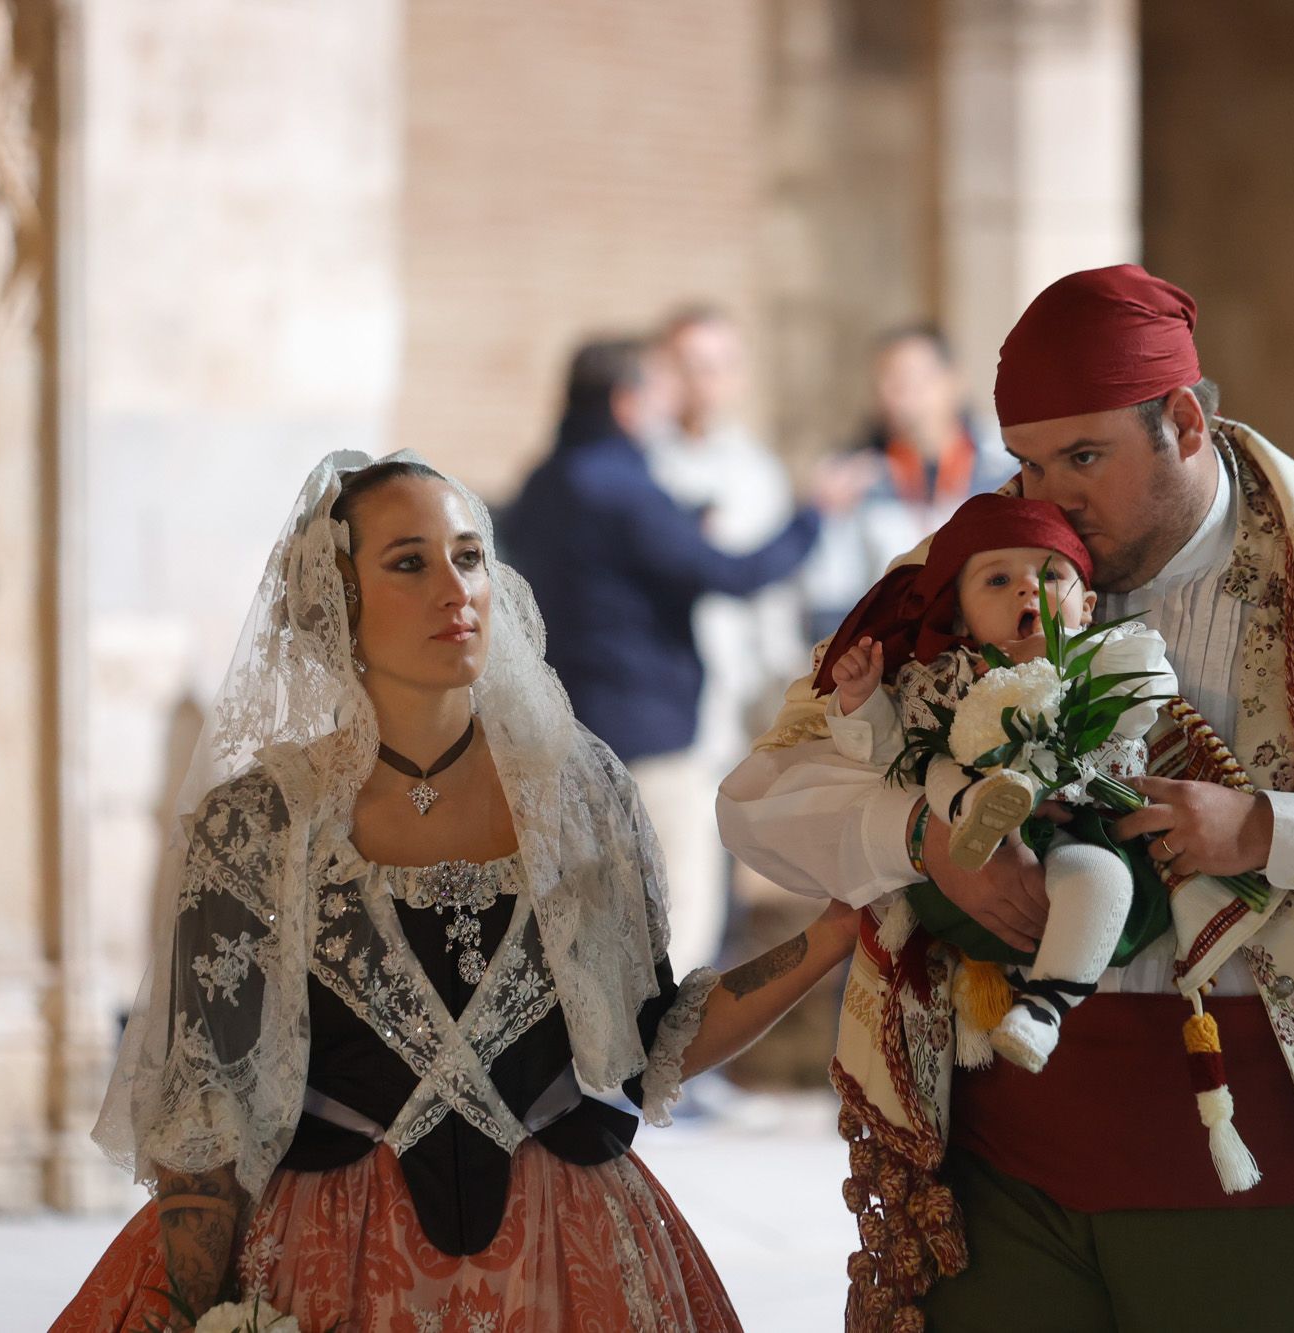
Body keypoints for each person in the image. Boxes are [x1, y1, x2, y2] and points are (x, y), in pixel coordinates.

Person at [718, 265, 1294, 1330]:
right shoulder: (963, 578)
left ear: (1184, 421)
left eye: (1084, 457)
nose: (1048, 500)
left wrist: (1272, 828)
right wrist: (918, 835)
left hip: (1275, 1171)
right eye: (1028, 463)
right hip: (1004, 1180)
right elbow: (761, 796)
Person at [58, 453, 859, 1332]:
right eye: (409, 562)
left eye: (469, 557)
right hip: (328, 1258)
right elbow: (205, 1118)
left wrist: (834, 930)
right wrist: (195, 1310)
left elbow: (652, 1038)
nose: (455, 588)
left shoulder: (580, 792)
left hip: (568, 1255)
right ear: (338, 603)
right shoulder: (257, 823)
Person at [817, 493, 1172, 1071]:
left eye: (1051, 576)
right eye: (999, 580)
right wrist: (859, 702)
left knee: (1105, 877)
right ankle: (985, 805)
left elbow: (1138, 711)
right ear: (959, 617)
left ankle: (1044, 1011)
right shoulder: (945, 677)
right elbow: (892, 757)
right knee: (935, 768)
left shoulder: (1100, 661)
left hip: (1065, 828)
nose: (1028, 591)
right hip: (965, 846)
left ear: (1087, 608)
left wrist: (1065, 684)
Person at [506, 337, 821, 982]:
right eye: (656, 388)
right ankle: (668, 1067)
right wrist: (814, 518)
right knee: (677, 901)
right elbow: (730, 574)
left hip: (563, 725)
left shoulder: (544, 482)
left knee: (587, 909)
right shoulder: (622, 485)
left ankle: (602, 1070)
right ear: (626, 403)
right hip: (647, 727)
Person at [644, 305, 809, 971]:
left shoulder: (754, 472)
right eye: (687, 365)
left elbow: (773, 597)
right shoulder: (643, 466)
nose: (700, 381)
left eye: (715, 366)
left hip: (731, 703)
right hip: (653, 706)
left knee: (713, 874)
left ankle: (695, 1049)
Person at [801, 324, 1018, 642]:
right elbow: (826, 600)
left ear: (954, 381)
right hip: (883, 661)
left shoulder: (1006, 465)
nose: (894, 393)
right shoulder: (848, 479)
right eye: (883, 381)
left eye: (910, 379)